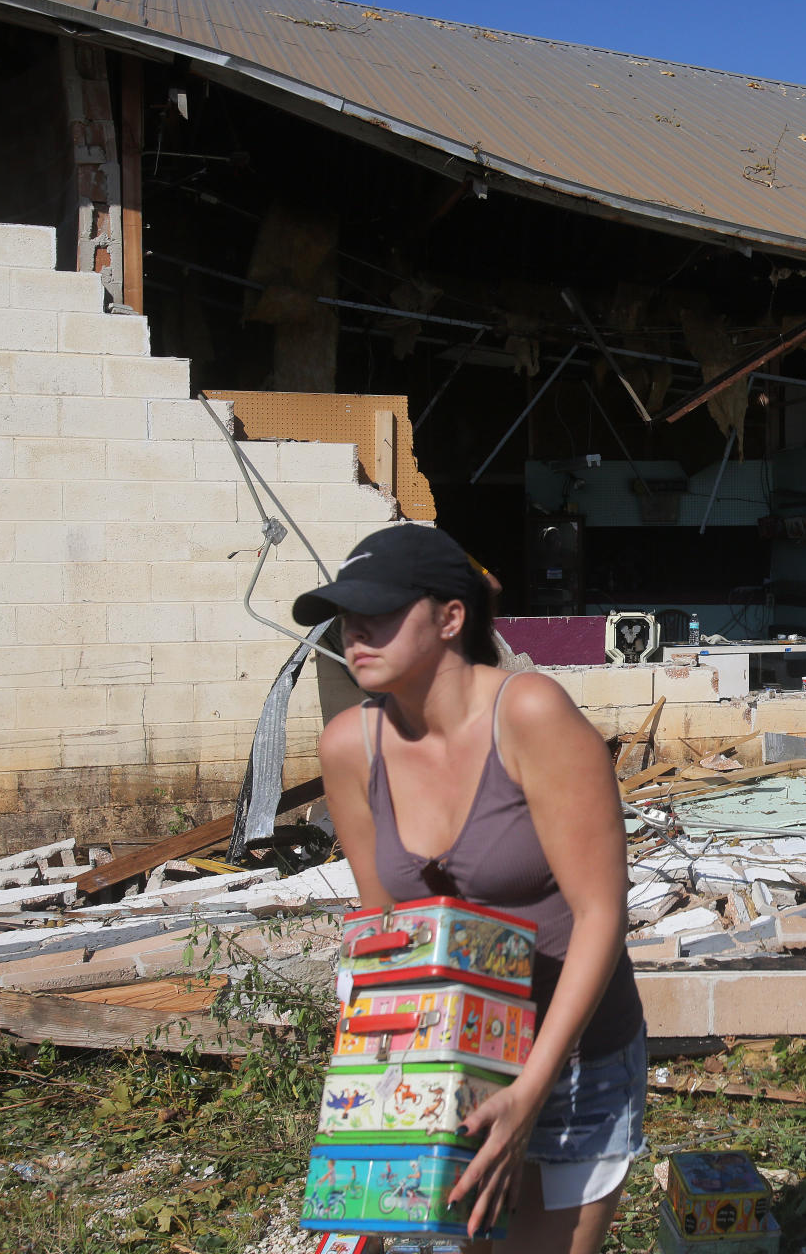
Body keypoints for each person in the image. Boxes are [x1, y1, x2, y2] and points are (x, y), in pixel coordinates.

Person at [296, 523, 644, 1252]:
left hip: (571, 1058)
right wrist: (374, 1102)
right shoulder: (349, 747)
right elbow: (385, 929)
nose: (355, 630)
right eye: (345, 614)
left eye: (381, 611)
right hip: (448, 1066)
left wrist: (531, 1089)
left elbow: (600, 913)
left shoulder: (529, 714)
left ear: (451, 617)